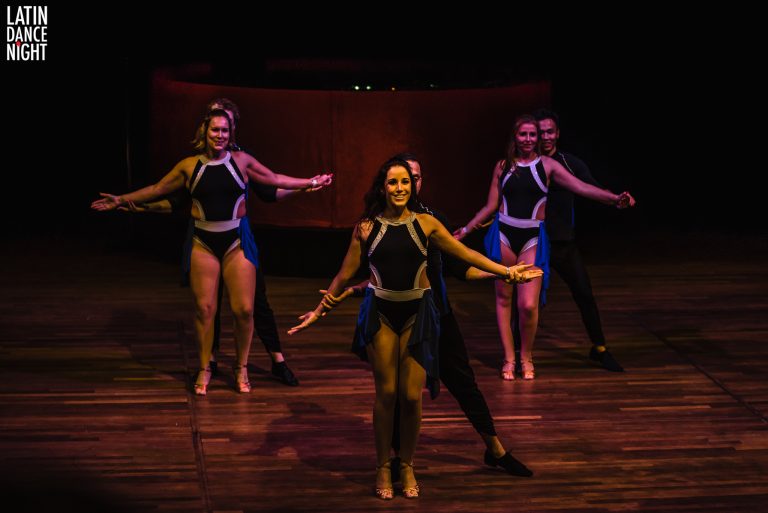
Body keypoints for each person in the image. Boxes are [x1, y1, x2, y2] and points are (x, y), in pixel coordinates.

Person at [287, 157, 539, 499]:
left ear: (415, 184)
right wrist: (320, 310)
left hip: (419, 313)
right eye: (393, 182)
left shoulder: (428, 224)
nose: (400, 188)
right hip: (381, 313)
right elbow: (344, 273)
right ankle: (382, 467)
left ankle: (406, 464)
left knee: (411, 397)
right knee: (387, 394)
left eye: (406, 181)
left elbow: (464, 255)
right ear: (382, 187)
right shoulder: (365, 228)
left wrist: (506, 271)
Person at [92, 109, 333, 396]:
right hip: (204, 242)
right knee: (204, 310)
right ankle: (205, 367)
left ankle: (241, 367)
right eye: (214, 130)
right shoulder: (189, 165)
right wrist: (121, 200)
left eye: (225, 131)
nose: (219, 135)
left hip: (236, 241)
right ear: (204, 133)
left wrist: (311, 182)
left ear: (231, 134)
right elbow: (157, 189)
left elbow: (274, 178)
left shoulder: (241, 162)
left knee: (244, 309)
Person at [454, 114, 634, 381]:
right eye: (523, 134)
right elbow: (491, 205)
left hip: (531, 238)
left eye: (533, 135)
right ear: (515, 136)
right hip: (503, 234)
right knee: (504, 301)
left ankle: (526, 356)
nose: (528, 139)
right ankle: (509, 358)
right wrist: (465, 230)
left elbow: (582, 187)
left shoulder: (548, 166)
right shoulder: (503, 166)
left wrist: (613, 199)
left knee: (527, 305)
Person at [533, 108, 624, 371]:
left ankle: (600, 348)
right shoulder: (526, 165)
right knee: (527, 303)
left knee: (584, 294)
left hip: (563, 244)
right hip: (534, 245)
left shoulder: (570, 163)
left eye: (550, 131)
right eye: (540, 132)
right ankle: (519, 354)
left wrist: (616, 199)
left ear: (558, 134)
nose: (546, 136)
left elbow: (592, 189)